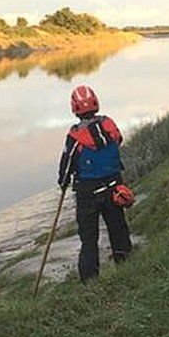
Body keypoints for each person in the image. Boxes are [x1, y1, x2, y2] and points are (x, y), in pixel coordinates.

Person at [57, 85, 133, 281]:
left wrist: (63, 182)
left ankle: (90, 282)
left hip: (87, 193)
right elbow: (119, 140)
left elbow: (66, 167)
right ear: (96, 103)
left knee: (89, 239)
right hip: (115, 187)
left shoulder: (74, 136)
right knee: (118, 228)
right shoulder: (109, 124)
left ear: (74, 108)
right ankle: (127, 267)